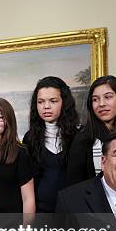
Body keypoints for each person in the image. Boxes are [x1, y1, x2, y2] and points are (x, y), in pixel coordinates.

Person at [22, 76, 80, 213]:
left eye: (53, 101)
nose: (46, 106)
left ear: (64, 103)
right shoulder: (30, 138)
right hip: (41, 213)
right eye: (40, 102)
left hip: (74, 213)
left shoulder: (79, 135)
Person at [66, 76, 116, 186]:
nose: (101, 104)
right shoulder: (83, 139)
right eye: (95, 99)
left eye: (108, 97)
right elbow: (74, 188)